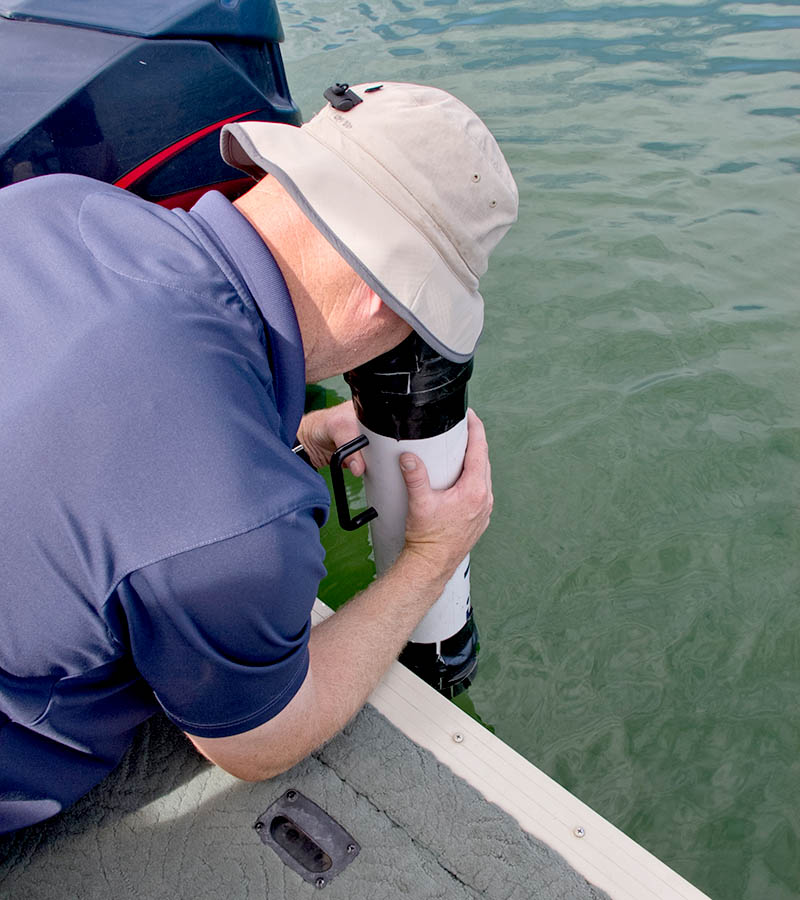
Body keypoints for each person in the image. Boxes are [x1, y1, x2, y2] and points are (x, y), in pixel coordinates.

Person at [0, 82, 518, 833]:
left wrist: (275, 443)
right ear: (386, 304)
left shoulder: (55, 204)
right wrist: (431, 560)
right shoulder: (237, 526)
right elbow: (255, 744)